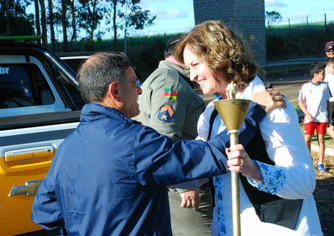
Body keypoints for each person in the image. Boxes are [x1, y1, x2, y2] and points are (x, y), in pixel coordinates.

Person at [31, 52, 283, 235]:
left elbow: (43, 212)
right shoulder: (132, 142)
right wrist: (253, 111)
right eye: (135, 84)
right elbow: (209, 156)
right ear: (115, 91)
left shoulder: (67, 148)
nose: (140, 91)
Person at [174, 20, 323, 235]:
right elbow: (202, 162)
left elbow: (305, 182)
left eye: (195, 65)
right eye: (188, 69)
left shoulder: (273, 106)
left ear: (219, 56)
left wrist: (254, 170)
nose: (192, 76)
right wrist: (186, 179)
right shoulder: (211, 114)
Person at [134, 34, 214, 235]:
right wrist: (183, 184)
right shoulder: (172, 83)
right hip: (183, 191)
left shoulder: (162, 77)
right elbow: (163, 139)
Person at [298, 62, 331, 171]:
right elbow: (300, 102)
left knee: (321, 139)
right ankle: (309, 159)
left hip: (322, 117)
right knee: (307, 139)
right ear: (315, 74)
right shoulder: (306, 87)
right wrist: (307, 114)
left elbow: (328, 102)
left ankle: (321, 163)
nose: (324, 75)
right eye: (322, 73)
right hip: (310, 118)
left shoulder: (325, 86)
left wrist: (329, 117)